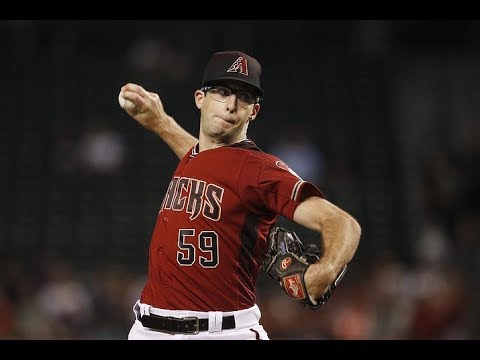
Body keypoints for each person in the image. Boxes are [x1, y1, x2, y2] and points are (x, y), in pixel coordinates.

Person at [119, 51, 361, 340]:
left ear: (253, 111)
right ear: (200, 98)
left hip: (223, 332)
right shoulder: (200, 159)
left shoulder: (259, 169)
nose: (231, 105)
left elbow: (343, 223)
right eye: (222, 92)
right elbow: (208, 161)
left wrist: (327, 269)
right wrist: (160, 122)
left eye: (244, 97)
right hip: (149, 329)